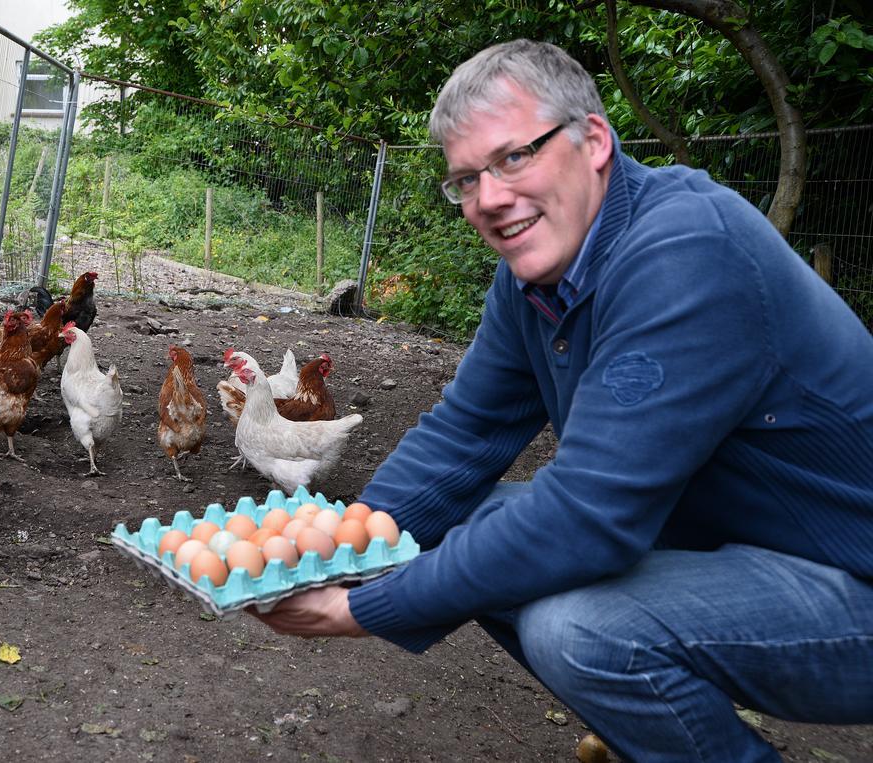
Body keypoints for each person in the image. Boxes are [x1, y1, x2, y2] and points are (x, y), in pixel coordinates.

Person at [251, 39, 873, 761]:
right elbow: (463, 435)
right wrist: (342, 546)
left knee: (578, 627)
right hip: (748, 548)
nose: (489, 197)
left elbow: (587, 516)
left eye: (515, 157)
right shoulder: (535, 277)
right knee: (456, 528)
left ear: (595, 140)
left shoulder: (686, 255)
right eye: (466, 180)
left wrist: (362, 605)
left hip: (850, 576)